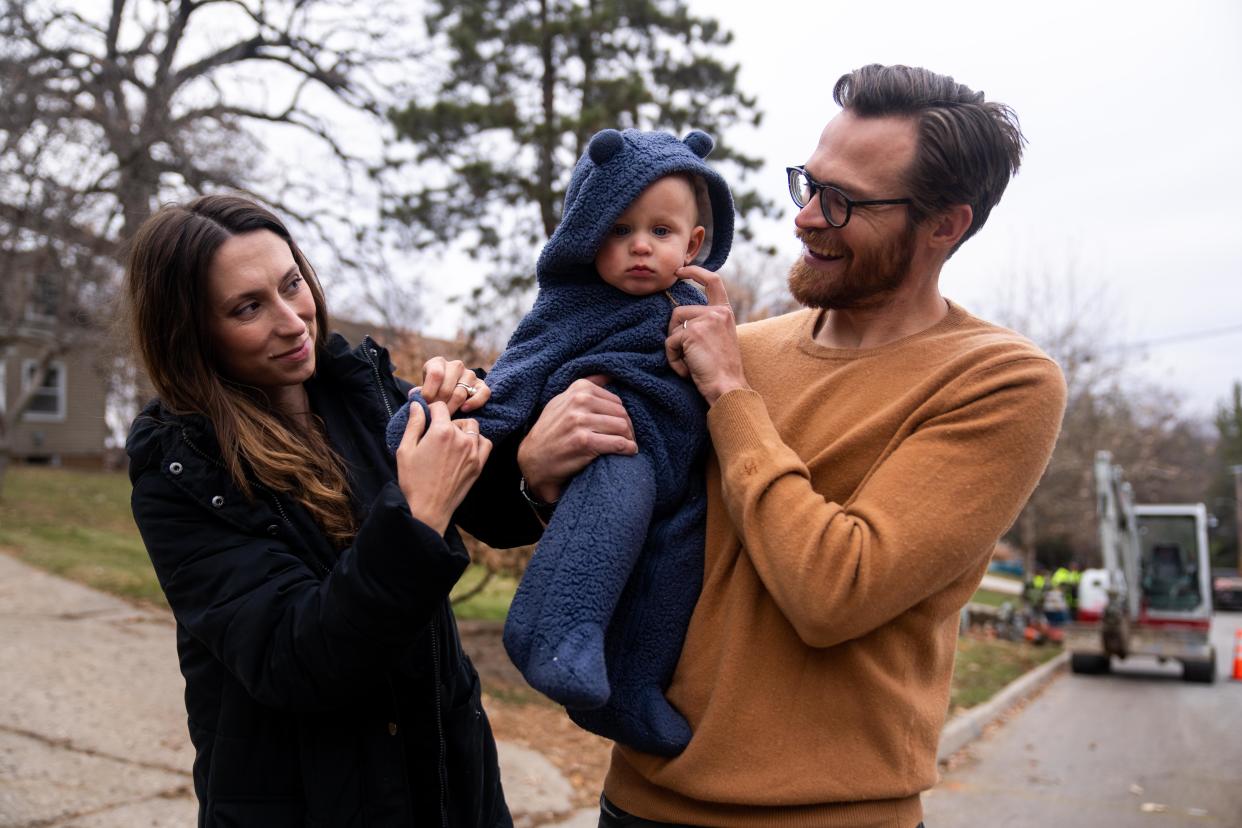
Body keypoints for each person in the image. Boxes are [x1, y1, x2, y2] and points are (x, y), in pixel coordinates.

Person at [499, 63, 1068, 827]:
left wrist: (733, 398)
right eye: (810, 184)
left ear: (944, 225)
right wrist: (535, 471)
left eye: (844, 202)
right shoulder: (727, 343)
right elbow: (633, 511)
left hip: (825, 815)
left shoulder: (998, 382)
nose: (805, 219)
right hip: (637, 800)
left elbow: (836, 592)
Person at [123, 194, 511, 826]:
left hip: (447, 783)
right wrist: (417, 511)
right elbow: (296, 660)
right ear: (190, 335)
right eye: (248, 307)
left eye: (291, 284)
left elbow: (496, 512)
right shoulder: (182, 472)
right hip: (304, 802)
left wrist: (529, 456)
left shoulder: (361, 390)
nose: (293, 321)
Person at [387, 128, 734, 757]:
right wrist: (440, 417)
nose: (638, 247)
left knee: (678, 572)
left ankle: (629, 690)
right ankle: (554, 628)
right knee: (613, 499)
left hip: (682, 483)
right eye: (618, 229)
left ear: (695, 243)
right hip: (612, 450)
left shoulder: (703, 312)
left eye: (660, 232)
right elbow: (515, 379)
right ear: (585, 232)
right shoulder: (573, 307)